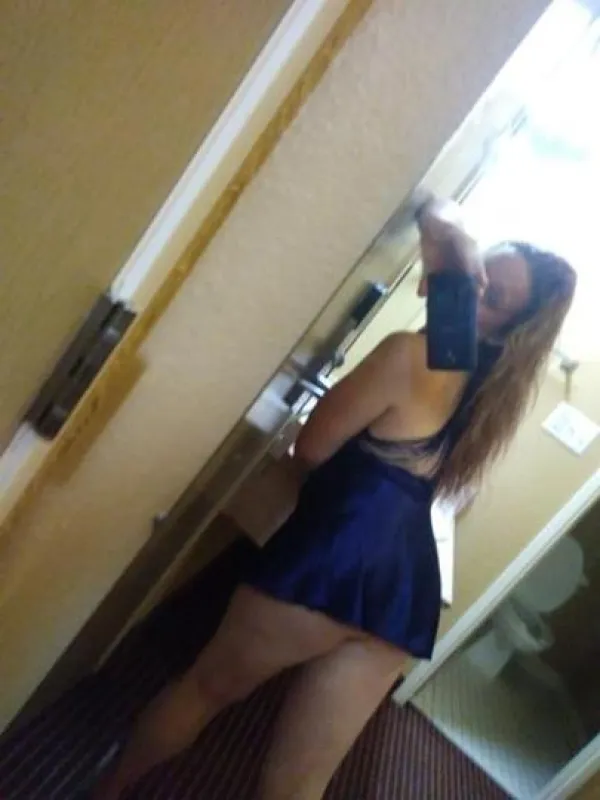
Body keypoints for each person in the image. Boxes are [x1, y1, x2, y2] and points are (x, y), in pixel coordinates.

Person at [93, 195, 576, 800]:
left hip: (339, 560)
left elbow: (313, 448)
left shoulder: (416, 354)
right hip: (406, 592)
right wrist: (455, 248)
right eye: (477, 280)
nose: (472, 293)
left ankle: (104, 791)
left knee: (203, 690)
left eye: (492, 296)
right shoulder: (485, 389)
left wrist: (459, 246)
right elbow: (440, 223)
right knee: (299, 782)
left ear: (506, 328)